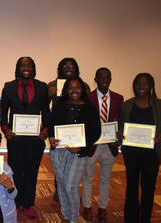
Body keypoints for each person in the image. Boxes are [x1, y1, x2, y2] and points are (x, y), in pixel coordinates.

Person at [0, 57, 49, 218]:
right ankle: (16, 202)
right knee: (16, 171)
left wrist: (46, 130)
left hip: (35, 139)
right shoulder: (9, 87)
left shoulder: (42, 87)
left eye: (29, 65)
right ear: (17, 68)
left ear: (33, 68)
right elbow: (3, 111)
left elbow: (46, 112)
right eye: (23, 65)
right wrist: (5, 129)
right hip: (15, 138)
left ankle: (28, 204)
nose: (26, 67)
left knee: (32, 172)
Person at [117, 73, 161, 223]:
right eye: (138, 83)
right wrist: (120, 134)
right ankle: (130, 219)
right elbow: (122, 126)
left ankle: (145, 219)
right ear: (134, 86)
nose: (141, 86)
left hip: (151, 154)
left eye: (145, 83)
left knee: (148, 188)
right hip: (131, 153)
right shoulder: (126, 105)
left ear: (151, 86)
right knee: (131, 186)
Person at [49, 77, 101, 223]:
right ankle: (66, 216)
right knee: (61, 185)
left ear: (82, 90)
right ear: (65, 90)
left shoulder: (90, 108)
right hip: (58, 151)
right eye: (70, 88)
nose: (74, 91)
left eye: (77, 87)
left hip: (78, 153)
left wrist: (83, 146)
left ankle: (73, 219)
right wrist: (51, 138)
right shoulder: (58, 105)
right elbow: (51, 125)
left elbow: (96, 132)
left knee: (70, 186)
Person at [81, 68, 124, 223]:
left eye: (107, 77)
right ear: (95, 79)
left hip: (110, 145)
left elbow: (120, 121)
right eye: (101, 77)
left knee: (106, 178)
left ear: (111, 79)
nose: (104, 80)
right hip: (92, 145)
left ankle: (102, 208)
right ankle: (86, 206)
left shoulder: (119, 98)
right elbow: (83, 120)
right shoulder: (87, 97)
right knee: (88, 177)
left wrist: (120, 135)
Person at [47, 57, 90, 202]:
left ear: (76, 69)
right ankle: (59, 191)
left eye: (71, 67)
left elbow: (88, 107)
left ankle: (71, 190)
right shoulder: (52, 85)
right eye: (65, 67)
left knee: (74, 167)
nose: (68, 69)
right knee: (59, 166)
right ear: (60, 69)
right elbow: (45, 107)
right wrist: (49, 94)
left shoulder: (84, 86)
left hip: (77, 131)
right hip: (60, 129)